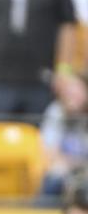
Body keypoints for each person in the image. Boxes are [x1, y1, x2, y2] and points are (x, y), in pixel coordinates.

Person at [40, 73, 88, 202]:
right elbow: (50, 151)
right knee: (53, 181)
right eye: (69, 91)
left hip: (85, 171)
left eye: (77, 91)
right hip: (63, 170)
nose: (72, 96)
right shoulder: (55, 111)